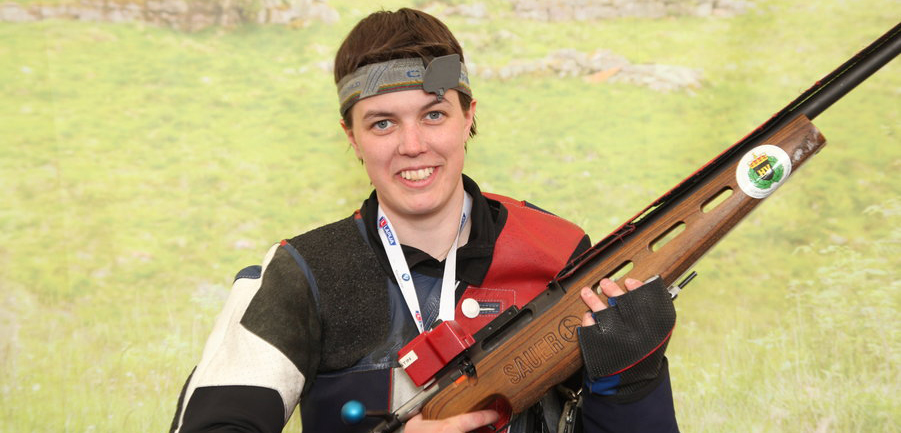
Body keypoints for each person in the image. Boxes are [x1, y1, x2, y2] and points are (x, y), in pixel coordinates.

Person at [171, 8, 678, 433]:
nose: (412, 145)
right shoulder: (304, 273)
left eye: (433, 114)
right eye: (383, 123)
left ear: (468, 116)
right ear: (351, 137)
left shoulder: (558, 252)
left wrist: (633, 384)